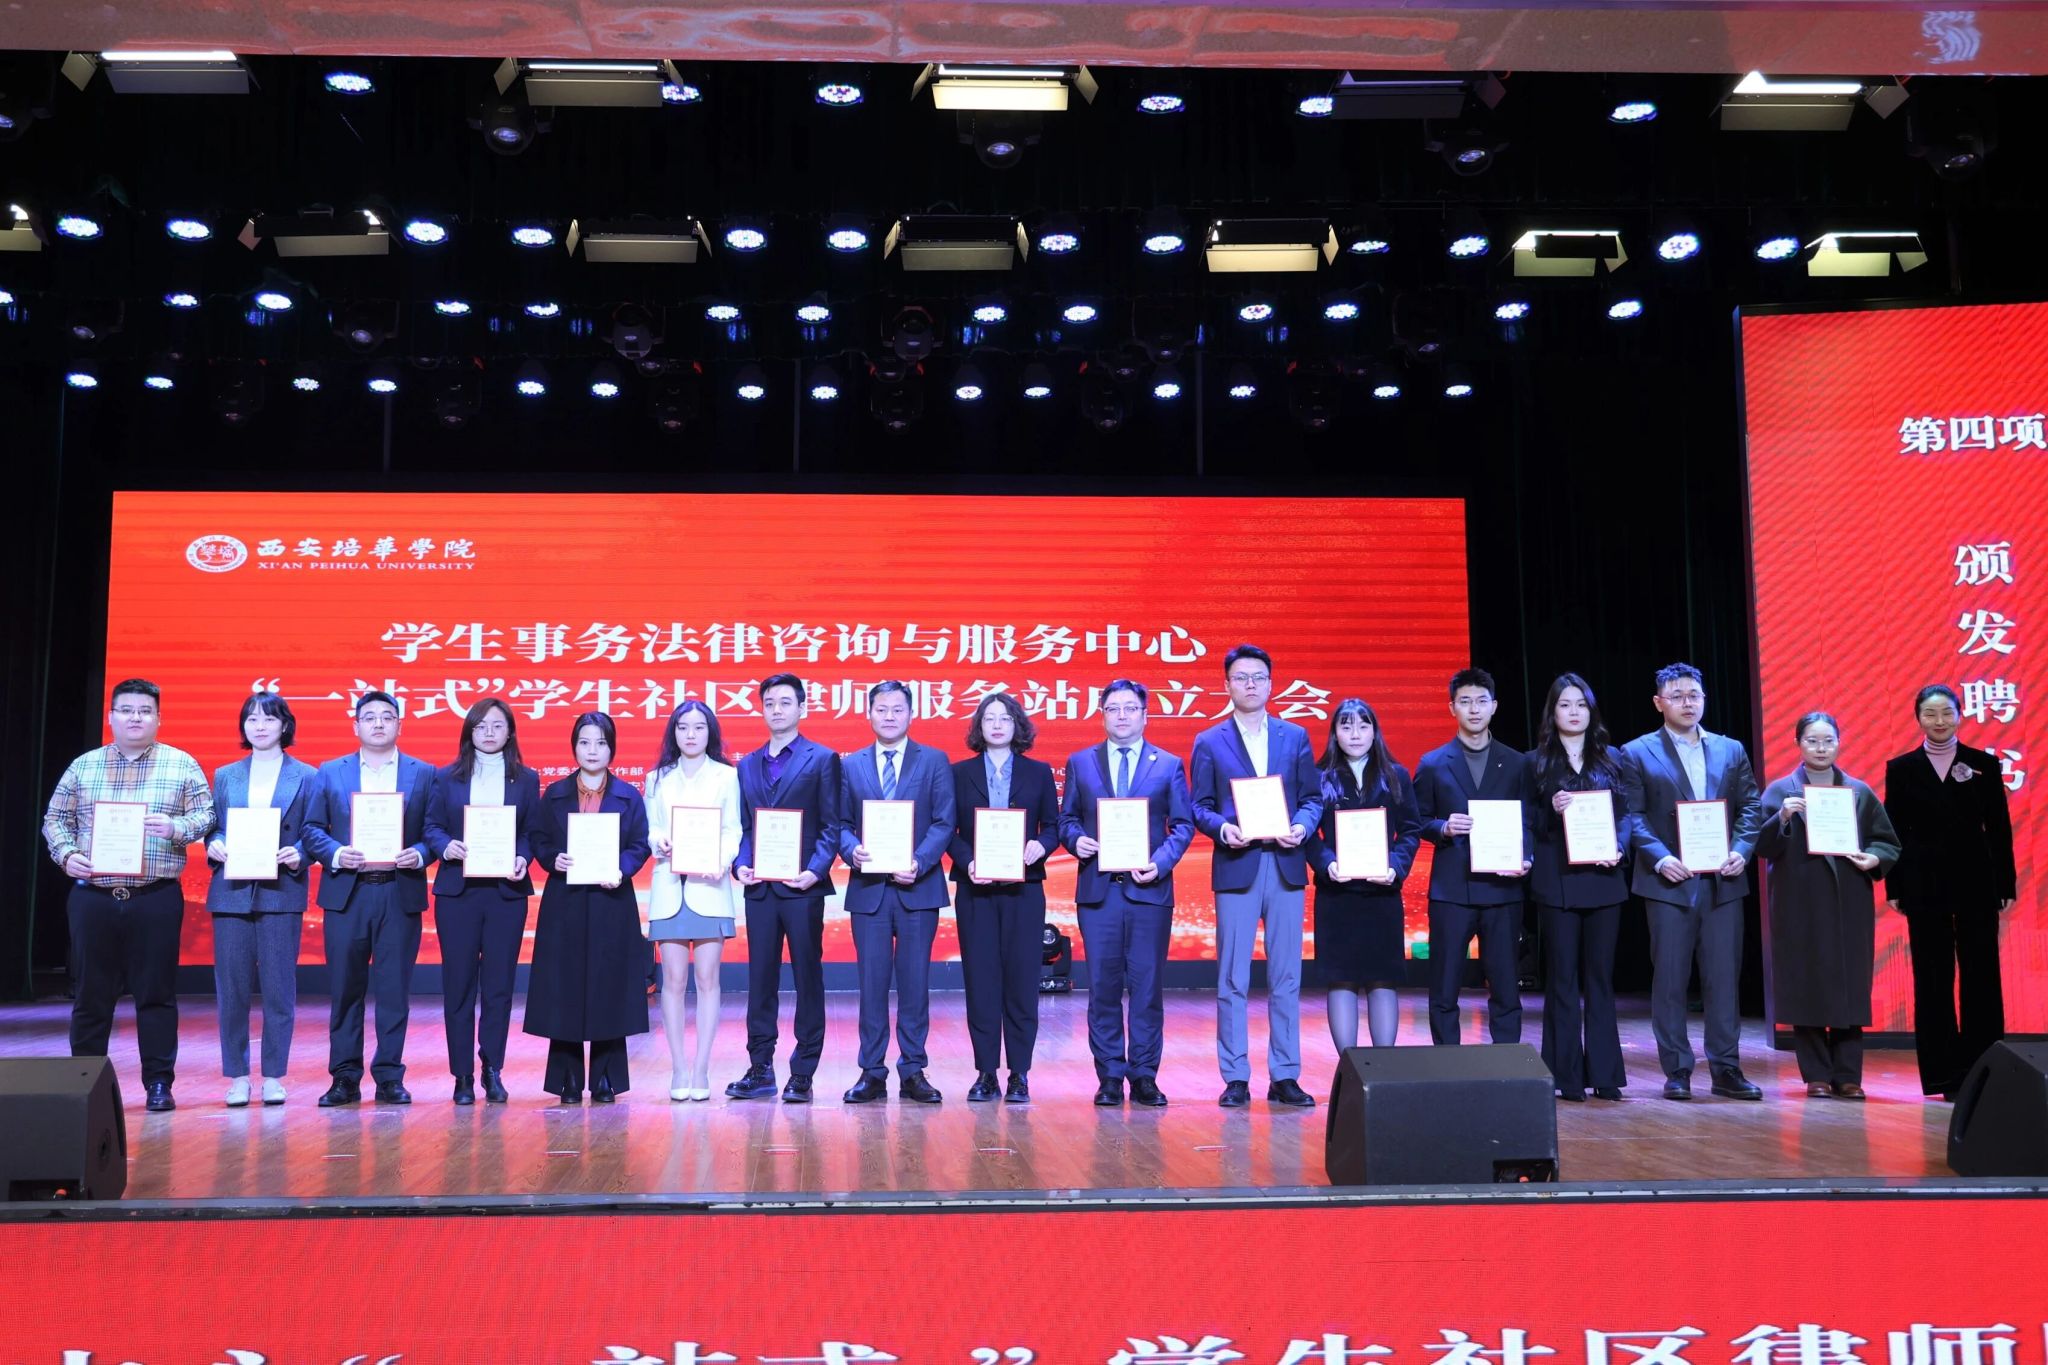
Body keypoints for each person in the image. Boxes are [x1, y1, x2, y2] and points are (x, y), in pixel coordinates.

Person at [42, 678, 215, 1113]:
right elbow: (54, 819)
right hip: (94, 897)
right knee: (91, 996)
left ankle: (158, 1083)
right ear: (111, 717)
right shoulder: (84, 766)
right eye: (126, 710)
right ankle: (83, 1083)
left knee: (156, 994)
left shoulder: (181, 764)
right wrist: (67, 855)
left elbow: (206, 815)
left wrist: (176, 828)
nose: (135, 717)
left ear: (158, 718)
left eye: (144, 710)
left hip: (155, 896)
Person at [1617, 662, 1764, 1101]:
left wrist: (1741, 849)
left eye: (1694, 695)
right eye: (1677, 695)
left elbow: (1751, 806)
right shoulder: (1637, 752)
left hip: (1723, 880)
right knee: (1670, 979)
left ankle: (1726, 1068)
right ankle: (1677, 1069)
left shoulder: (1730, 749)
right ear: (1658, 702)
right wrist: (1660, 859)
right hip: (1668, 882)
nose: (1687, 703)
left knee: (1723, 978)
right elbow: (1632, 815)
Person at [1190, 644, 1324, 1109]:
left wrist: (1302, 826)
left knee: (1287, 975)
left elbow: (1312, 798)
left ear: (1271, 684)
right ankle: (1235, 1075)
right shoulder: (1210, 740)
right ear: (1226, 685)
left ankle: (1285, 1074)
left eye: (1258, 677)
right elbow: (1199, 806)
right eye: (1241, 677)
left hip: (1285, 863)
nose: (1250, 684)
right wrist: (1222, 829)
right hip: (1237, 863)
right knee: (1232, 976)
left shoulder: (1295, 736)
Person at [1059, 678, 1194, 1107]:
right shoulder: (1081, 762)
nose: (1122, 716)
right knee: (1102, 986)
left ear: (1145, 715)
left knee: (1147, 987)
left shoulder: (1168, 764)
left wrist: (1162, 862)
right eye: (1113, 708)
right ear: (1102, 715)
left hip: (1148, 891)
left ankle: (1145, 1075)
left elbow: (1183, 825)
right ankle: (1110, 1076)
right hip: (1099, 893)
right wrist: (1075, 839)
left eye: (1130, 708)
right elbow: (1067, 819)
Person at [1757, 712, 1901, 1099]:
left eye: (1828, 741)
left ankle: (1848, 1074)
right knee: (1806, 984)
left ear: (1839, 743)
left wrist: (1874, 857)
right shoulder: (1779, 791)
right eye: (1812, 741)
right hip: (1798, 903)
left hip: (1847, 902)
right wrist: (1782, 817)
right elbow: (1761, 845)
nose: (1821, 749)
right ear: (1798, 743)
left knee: (1849, 985)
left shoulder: (1858, 791)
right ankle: (1816, 1075)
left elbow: (1886, 841)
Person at [302, 690, 436, 1107]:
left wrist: (421, 853)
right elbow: (311, 829)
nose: (379, 723)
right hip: (348, 892)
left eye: (387, 716)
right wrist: (337, 853)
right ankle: (344, 1077)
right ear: (356, 725)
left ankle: (389, 1076)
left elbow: (433, 831)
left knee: (394, 991)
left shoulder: (423, 773)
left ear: (400, 725)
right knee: (345, 990)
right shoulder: (330, 772)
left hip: (399, 891)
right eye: (370, 717)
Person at [1883, 684, 2017, 1100]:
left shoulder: (1983, 765)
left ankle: (1982, 1072)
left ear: (1959, 715)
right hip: (1923, 883)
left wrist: (2005, 883)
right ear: (1918, 718)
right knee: (1932, 976)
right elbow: (1893, 832)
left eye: (1946, 713)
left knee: (1981, 974)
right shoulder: (1901, 768)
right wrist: (1894, 884)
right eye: (1930, 714)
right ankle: (1942, 1076)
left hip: (1977, 881)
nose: (1939, 721)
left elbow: (1999, 829)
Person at [837, 680, 956, 1104]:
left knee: (915, 983)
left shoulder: (934, 761)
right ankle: (871, 1071)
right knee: (871, 985)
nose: (889, 716)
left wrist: (919, 862)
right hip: (869, 890)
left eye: (897, 709)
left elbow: (944, 821)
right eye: (882, 709)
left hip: (917, 888)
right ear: (869, 714)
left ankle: (913, 1069)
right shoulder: (850, 765)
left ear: (911, 714)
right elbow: (840, 824)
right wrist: (852, 850)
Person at [523, 712, 652, 1103]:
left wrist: (621, 869)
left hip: (612, 900)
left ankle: (605, 1078)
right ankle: (567, 1078)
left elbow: (640, 844)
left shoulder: (629, 795)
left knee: (608, 986)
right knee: (564, 986)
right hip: (565, 901)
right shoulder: (554, 793)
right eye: (584, 742)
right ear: (574, 747)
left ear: (612, 749)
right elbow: (539, 838)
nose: (592, 750)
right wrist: (553, 858)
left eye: (600, 743)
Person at [727, 673, 841, 1103]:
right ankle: (760, 1067)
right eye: (770, 703)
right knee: (760, 979)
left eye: (785, 702)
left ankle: (803, 1071)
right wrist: (741, 864)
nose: (776, 710)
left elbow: (831, 826)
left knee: (808, 977)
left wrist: (815, 870)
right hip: (761, 889)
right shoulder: (747, 765)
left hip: (803, 887)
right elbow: (744, 828)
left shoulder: (822, 759)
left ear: (802, 708)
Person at [422, 696, 540, 1106]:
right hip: (458, 892)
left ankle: (492, 1068)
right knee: (458, 985)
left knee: (499, 986)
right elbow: (432, 826)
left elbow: (530, 832)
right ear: (469, 732)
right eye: (481, 726)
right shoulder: (445, 777)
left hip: (506, 893)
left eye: (497, 725)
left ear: (510, 732)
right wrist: (445, 845)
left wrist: (522, 857)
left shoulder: (526, 779)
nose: (489, 733)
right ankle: (462, 1075)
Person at [201, 692, 315, 1108]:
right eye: (251, 719)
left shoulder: (308, 775)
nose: (260, 726)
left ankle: (272, 1076)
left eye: (269, 718)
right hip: (231, 892)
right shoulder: (226, 775)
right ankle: (236, 1076)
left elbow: (314, 831)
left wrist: (300, 853)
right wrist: (214, 843)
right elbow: (214, 826)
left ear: (285, 725)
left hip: (281, 891)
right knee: (231, 990)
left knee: (279, 989)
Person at [948, 692, 1061, 1103]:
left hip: (1024, 890)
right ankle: (985, 1073)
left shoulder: (1039, 772)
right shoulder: (959, 773)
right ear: (979, 727)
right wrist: (968, 861)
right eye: (989, 718)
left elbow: (1053, 826)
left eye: (1005, 718)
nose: (997, 725)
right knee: (981, 982)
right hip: (975, 891)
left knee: (1022, 982)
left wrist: (1041, 845)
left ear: (1018, 726)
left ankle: (1019, 1074)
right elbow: (947, 829)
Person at [1525, 674, 1630, 1102]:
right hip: (1557, 883)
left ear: (1591, 711)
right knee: (1562, 979)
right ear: (1552, 712)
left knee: (1600, 979)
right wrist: (1549, 809)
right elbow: (1527, 821)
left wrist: (1619, 847)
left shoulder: (1613, 758)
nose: (1573, 712)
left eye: (1581, 704)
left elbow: (1626, 814)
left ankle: (1605, 1074)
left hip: (1604, 880)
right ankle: (1565, 1076)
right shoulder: (1535, 762)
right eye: (1565, 704)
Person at [1413, 667, 1531, 1047]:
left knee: (1505, 986)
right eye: (1465, 701)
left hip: (1502, 889)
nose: (1474, 709)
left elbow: (1530, 820)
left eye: (1481, 701)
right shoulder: (1433, 762)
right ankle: (1448, 1062)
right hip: (1452, 890)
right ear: (1452, 708)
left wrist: (1526, 856)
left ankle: (1508, 1061)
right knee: (1445, 985)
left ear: (1494, 706)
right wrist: (1443, 828)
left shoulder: (1517, 763)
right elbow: (1417, 820)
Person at [1302, 698, 1422, 1052]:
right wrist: (1326, 863)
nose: (1355, 734)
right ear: (1334, 734)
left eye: (1363, 725)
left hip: (1381, 893)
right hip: (1337, 894)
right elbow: (1307, 834)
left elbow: (1411, 830)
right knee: (1340, 980)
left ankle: (1384, 1070)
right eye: (1346, 726)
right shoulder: (1318, 777)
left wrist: (1395, 866)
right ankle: (1349, 1069)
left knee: (1383, 979)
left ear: (1374, 731)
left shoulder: (1396, 775)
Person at [645, 700, 744, 1102]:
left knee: (707, 980)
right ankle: (678, 1068)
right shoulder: (656, 778)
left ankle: (701, 1068)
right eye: (683, 727)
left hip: (709, 888)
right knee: (672, 981)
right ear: (674, 732)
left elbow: (733, 829)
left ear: (710, 732)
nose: (690, 734)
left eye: (699, 727)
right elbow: (651, 828)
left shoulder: (726, 775)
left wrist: (721, 861)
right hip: (670, 887)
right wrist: (660, 841)